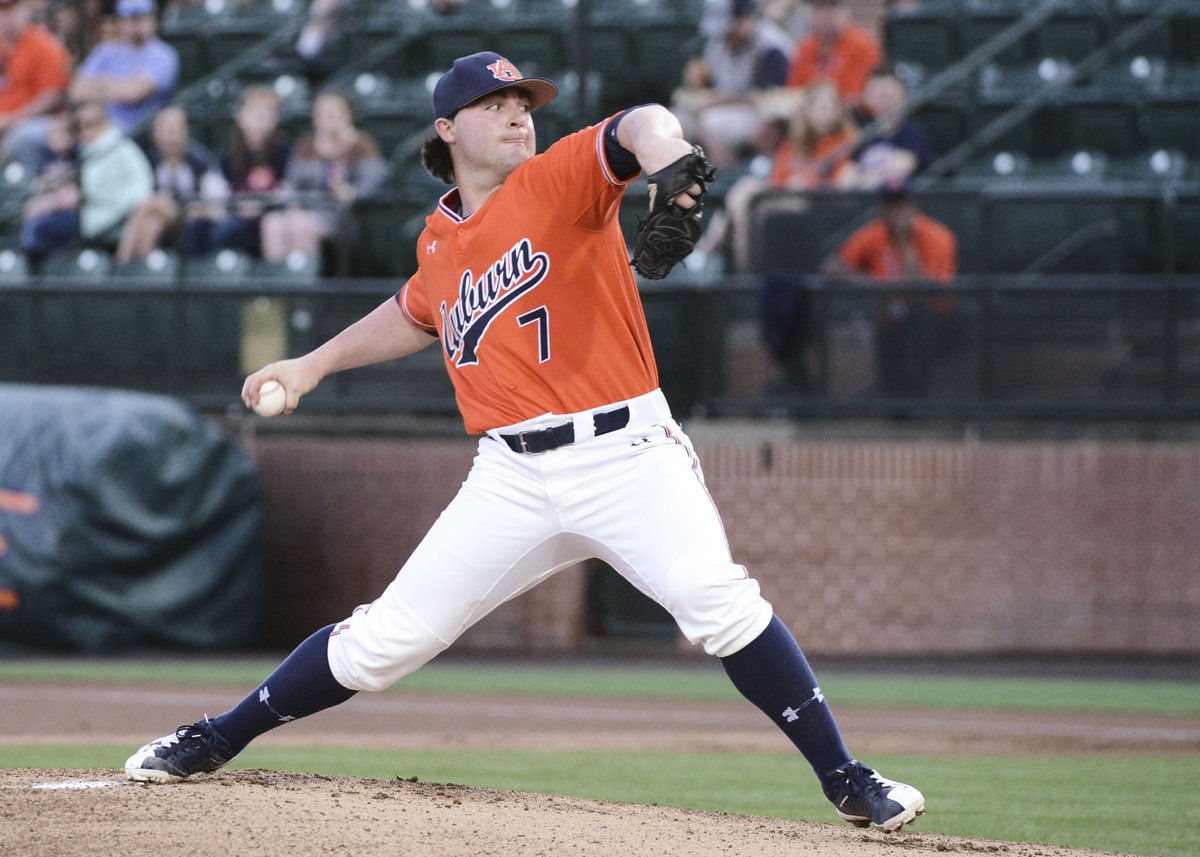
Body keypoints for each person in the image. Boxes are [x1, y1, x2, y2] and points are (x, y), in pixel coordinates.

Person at [123, 50, 926, 834]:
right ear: (447, 129)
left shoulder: (558, 179)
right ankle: (216, 736)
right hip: (509, 473)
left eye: (523, 105)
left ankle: (849, 778)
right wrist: (312, 363)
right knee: (384, 643)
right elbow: (414, 312)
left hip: (627, 455)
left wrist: (673, 163)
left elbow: (642, 123)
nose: (517, 115)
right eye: (494, 106)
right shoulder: (438, 239)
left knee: (715, 600)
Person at [697, 80, 858, 272]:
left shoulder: (847, 141)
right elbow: (777, 180)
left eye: (830, 105)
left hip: (816, 203)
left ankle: (715, 255)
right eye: (817, 105)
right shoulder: (794, 144)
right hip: (780, 198)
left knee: (756, 200)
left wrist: (803, 184)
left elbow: (841, 182)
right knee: (744, 190)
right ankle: (727, 261)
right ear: (806, 110)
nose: (823, 111)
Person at [821, 179, 959, 397]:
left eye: (902, 205)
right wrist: (871, 284)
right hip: (889, 312)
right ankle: (892, 396)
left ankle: (915, 395)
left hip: (937, 318)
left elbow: (936, 291)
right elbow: (831, 267)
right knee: (888, 314)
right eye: (891, 206)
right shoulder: (875, 234)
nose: (898, 212)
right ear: (881, 209)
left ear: (913, 206)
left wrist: (908, 251)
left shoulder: (938, 237)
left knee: (915, 315)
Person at [259, 89, 386, 264]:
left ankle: (303, 281)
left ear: (347, 116)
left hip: (338, 214)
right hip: (304, 208)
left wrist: (352, 192)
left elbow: (375, 179)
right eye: (323, 114)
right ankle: (276, 283)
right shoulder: (305, 146)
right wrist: (292, 205)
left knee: (301, 226)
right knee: (272, 223)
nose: (328, 119)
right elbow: (292, 182)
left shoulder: (361, 145)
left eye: (334, 113)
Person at [20, 99, 152, 263]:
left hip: (111, 219)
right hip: (93, 215)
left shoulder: (118, 148)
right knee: (37, 223)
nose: (83, 131)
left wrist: (57, 202)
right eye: (78, 127)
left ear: (105, 122)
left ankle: (33, 283)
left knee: (41, 227)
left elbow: (137, 194)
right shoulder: (92, 150)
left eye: (90, 124)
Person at [670, 0, 792, 168]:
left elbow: (770, 100)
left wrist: (719, 100)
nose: (724, 35)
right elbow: (708, 84)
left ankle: (722, 182)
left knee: (712, 124)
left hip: (759, 113)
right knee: (675, 121)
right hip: (722, 107)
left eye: (729, 28)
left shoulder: (770, 47)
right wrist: (695, 83)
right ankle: (679, 183)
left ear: (745, 19)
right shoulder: (719, 42)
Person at [115, 104, 223, 262]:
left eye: (176, 129)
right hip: (162, 218)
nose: (172, 136)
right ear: (155, 134)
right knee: (151, 225)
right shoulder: (150, 162)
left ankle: (120, 265)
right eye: (166, 130)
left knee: (147, 207)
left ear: (186, 132)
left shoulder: (200, 162)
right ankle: (144, 275)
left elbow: (215, 206)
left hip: (194, 217)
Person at [68, 0, 179, 136]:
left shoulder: (164, 55)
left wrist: (99, 84)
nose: (135, 26)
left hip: (139, 130)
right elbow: (76, 91)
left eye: (140, 19)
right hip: (95, 123)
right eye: (130, 20)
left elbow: (134, 94)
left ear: (153, 20)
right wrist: (121, 86)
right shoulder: (105, 50)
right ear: (120, 23)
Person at [204, 86, 292, 256]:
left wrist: (262, 206)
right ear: (240, 117)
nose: (260, 118)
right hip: (236, 214)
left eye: (267, 112)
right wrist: (236, 207)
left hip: (272, 216)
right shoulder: (229, 154)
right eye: (254, 112)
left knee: (228, 231)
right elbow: (218, 189)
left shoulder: (284, 151)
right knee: (200, 227)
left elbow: (289, 189)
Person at [0, 0, 73, 172]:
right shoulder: (3, 45)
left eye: (12, 9)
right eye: (2, 10)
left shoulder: (43, 44)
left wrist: (11, 120)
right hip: (5, 122)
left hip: (41, 123)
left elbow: (53, 96)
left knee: (20, 138)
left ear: (26, 10)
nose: (7, 16)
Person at [840, 66, 933, 190]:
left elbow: (905, 164)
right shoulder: (860, 132)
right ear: (867, 97)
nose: (884, 96)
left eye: (889, 90)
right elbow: (849, 170)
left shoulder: (914, 131)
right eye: (877, 91)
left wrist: (870, 176)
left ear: (903, 94)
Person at [786, 0, 882, 108]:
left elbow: (856, 97)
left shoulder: (862, 46)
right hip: (808, 115)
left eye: (833, 7)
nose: (827, 14)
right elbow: (793, 93)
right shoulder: (805, 48)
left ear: (846, 12)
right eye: (821, 8)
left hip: (850, 117)